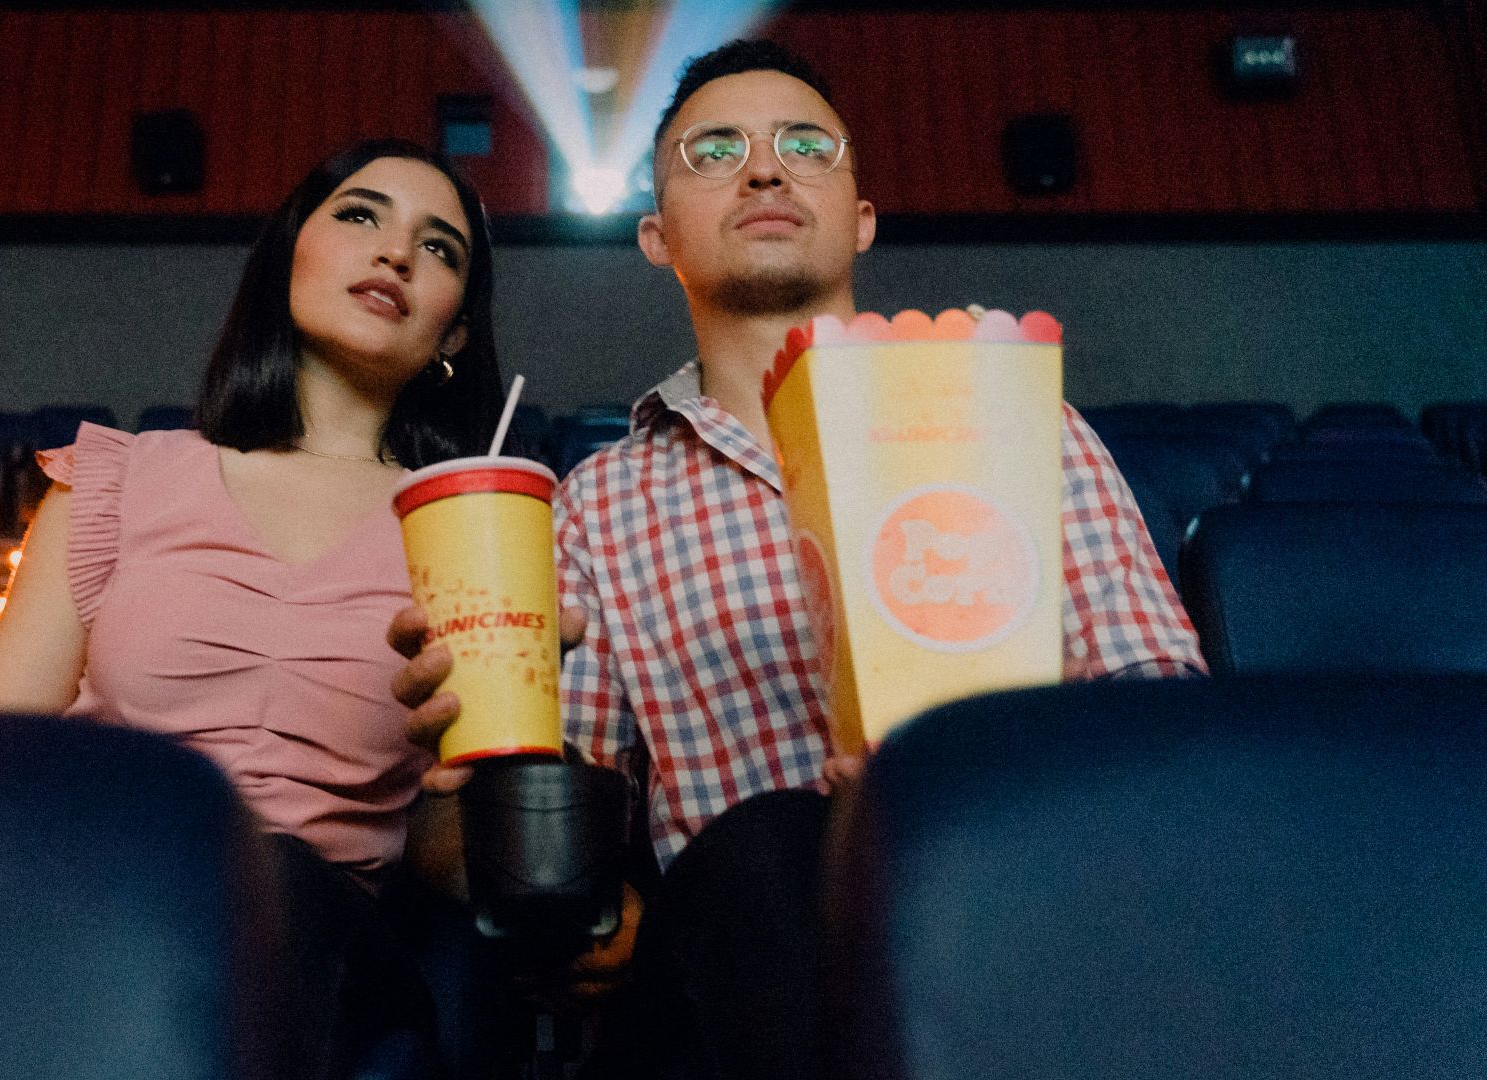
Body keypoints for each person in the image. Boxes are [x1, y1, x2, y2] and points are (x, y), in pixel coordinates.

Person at [389, 40, 1206, 1079]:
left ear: (860, 216)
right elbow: (555, 836)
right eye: (715, 151)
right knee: (774, 843)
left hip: (1025, 900)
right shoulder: (599, 504)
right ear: (656, 235)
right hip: (754, 955)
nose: (766, 170)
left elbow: (1169, 724)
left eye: (806, 146)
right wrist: (473, 763)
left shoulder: (1021, 421)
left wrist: (981, 774)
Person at [0, 138, 506, 1079]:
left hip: (329, 948)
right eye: (361, 216)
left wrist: (487, 775)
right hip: (103, 903)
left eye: (439, 248)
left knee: (275, 880)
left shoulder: (469, 530)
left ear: (454, 332)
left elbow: (446, 865)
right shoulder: (118, 482)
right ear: (291, 252)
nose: (396, 254)